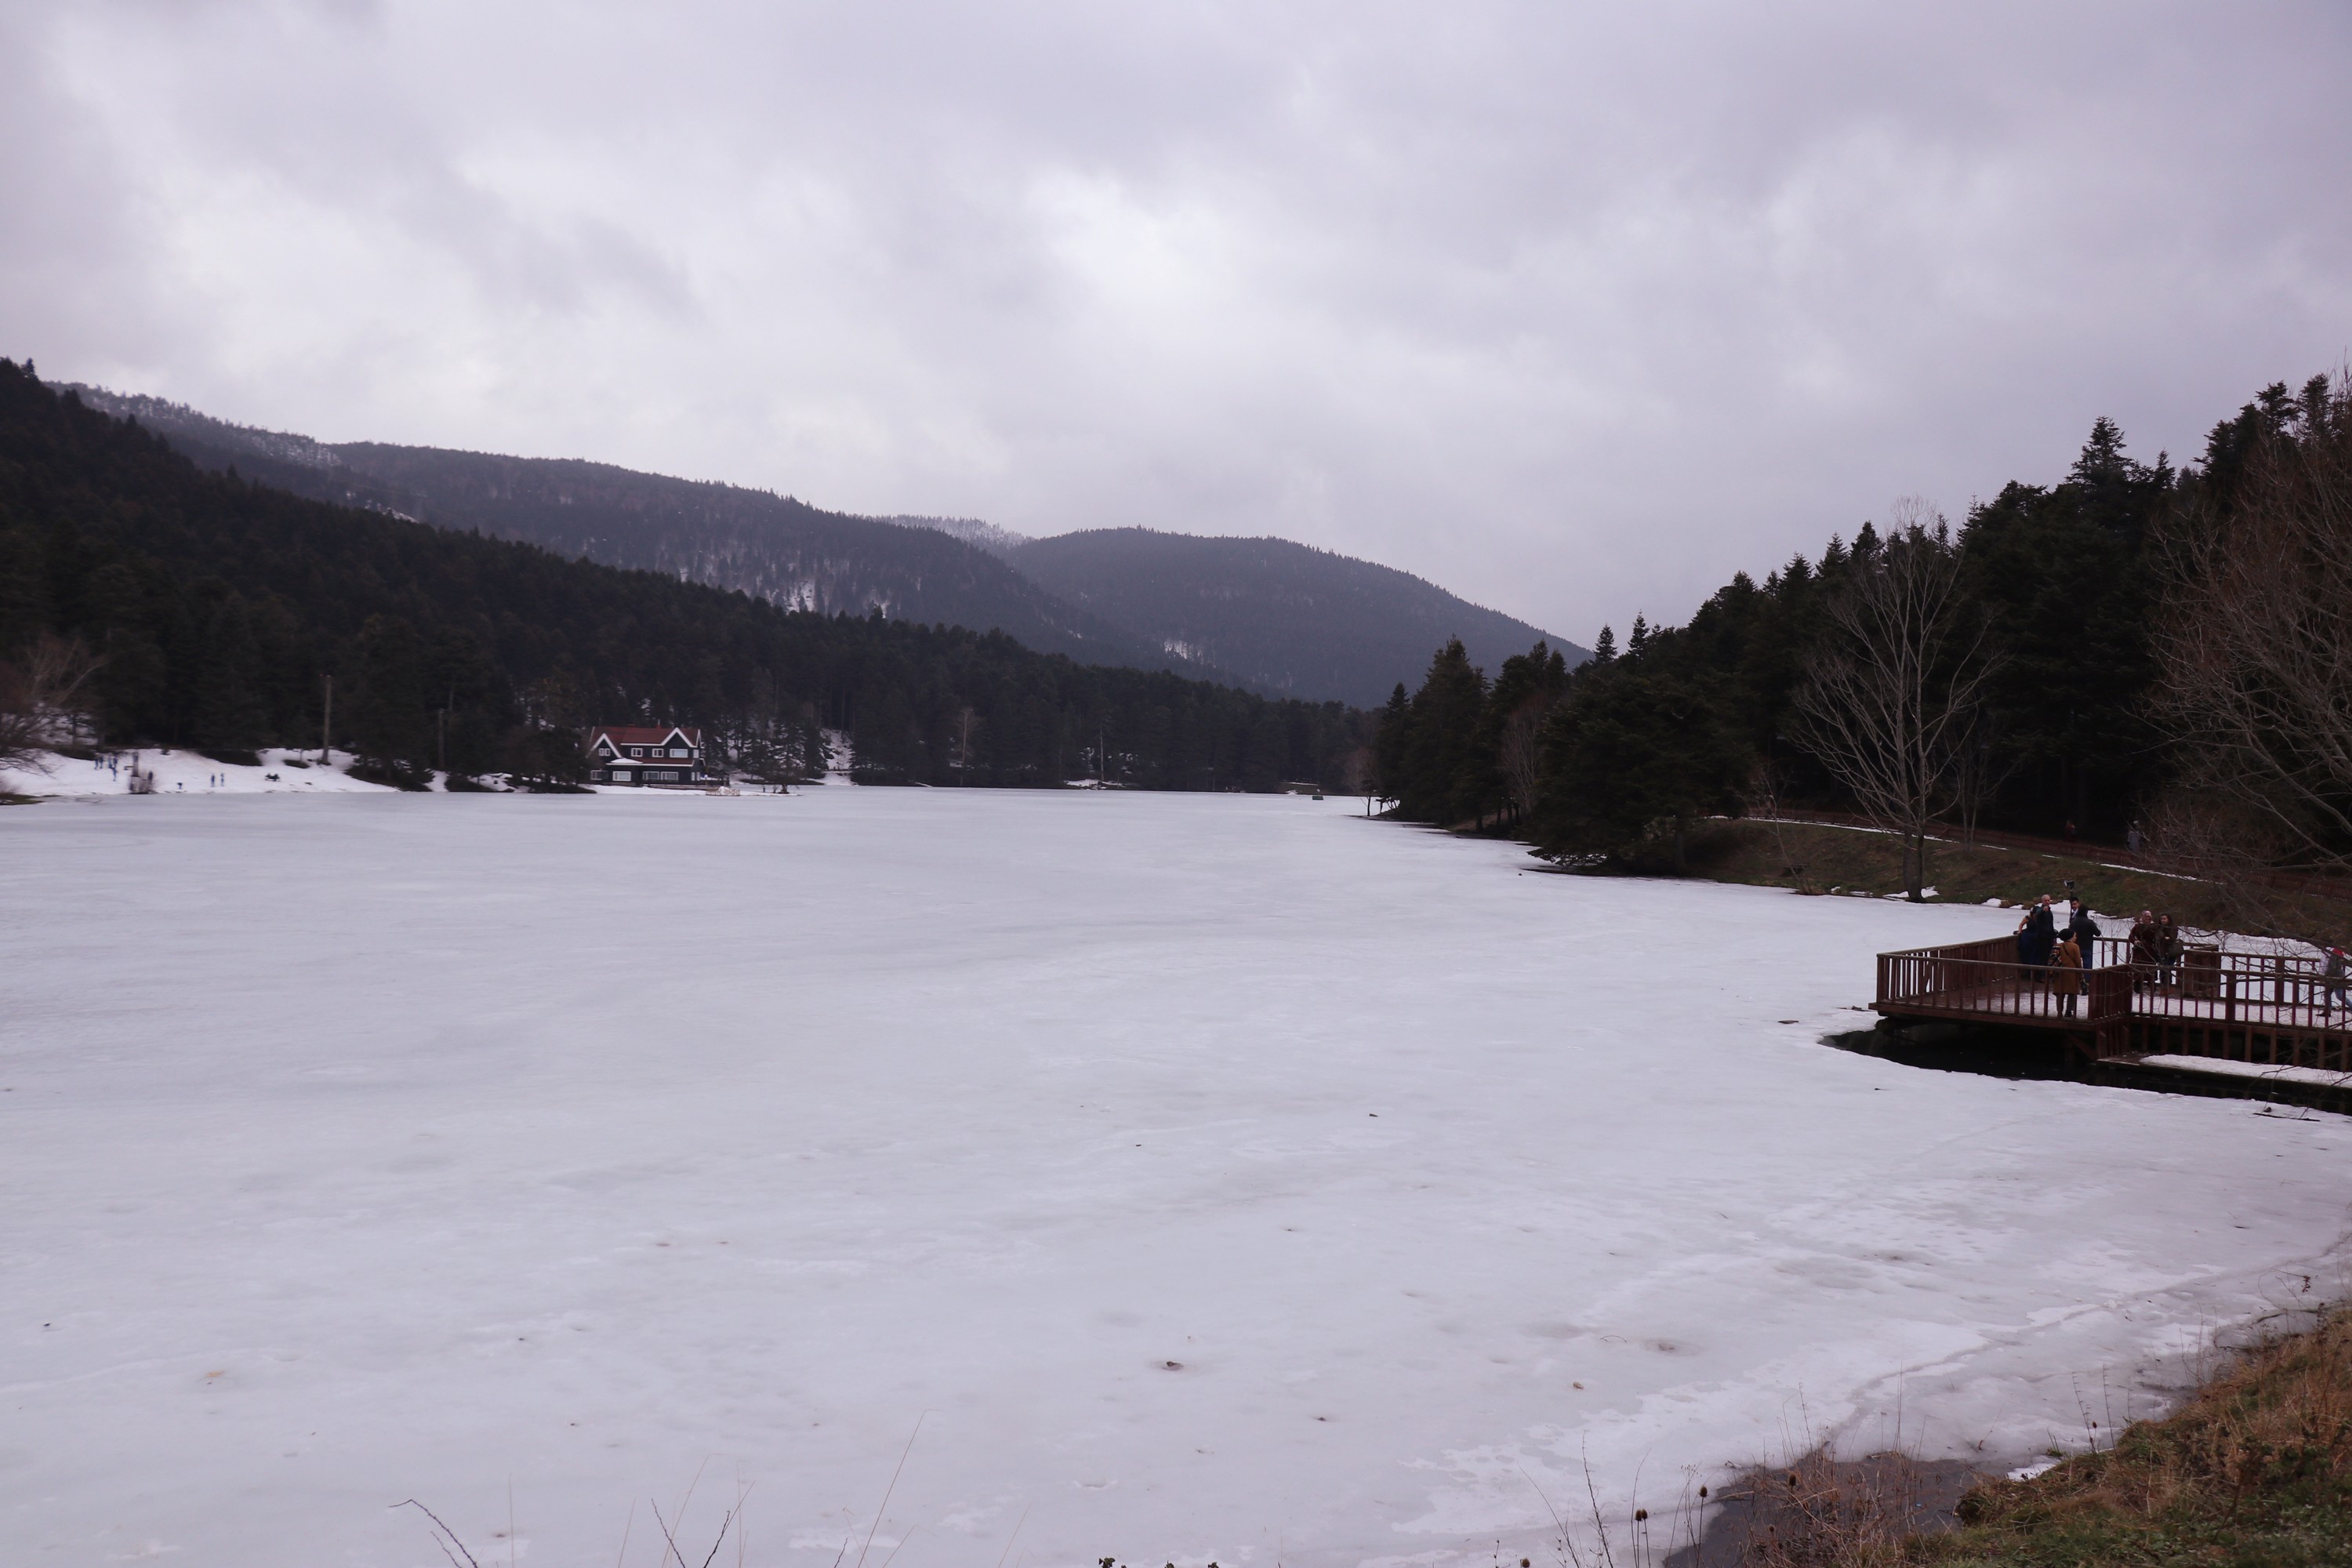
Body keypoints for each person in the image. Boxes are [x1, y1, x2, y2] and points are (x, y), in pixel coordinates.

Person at [2051, 930, 2085, 1016]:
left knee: (2060, 993)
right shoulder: (2075, 947)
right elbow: (2078, 961)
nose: (2075, 937)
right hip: (2072, 973)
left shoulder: (2057, 946)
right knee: (2072, 993)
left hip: (2059, 972)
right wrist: (2081, 974)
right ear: (2070, 937)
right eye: (2074, 936)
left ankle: (2059, 1012)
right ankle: (2069, 1012)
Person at [2129, 909, 2160, 991]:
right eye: (2146, 917)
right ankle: (2137, 986)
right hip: (2139, 950)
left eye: (2149, 918)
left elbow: (2158, 937)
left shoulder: (2155, 927)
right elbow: (2131, 936)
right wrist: (2135, 941)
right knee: (2138, 969)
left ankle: (2152, 985)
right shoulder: (2137, 926)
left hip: (2150, 950)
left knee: (2150, 968)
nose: (2147, 919)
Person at [2066, 899, 2100, 967]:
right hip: (2087, 946)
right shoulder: (2089, 922)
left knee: (2075, 965)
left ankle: (2076, 977)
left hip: (2075, 946)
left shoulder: (2073, 922)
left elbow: (2069, 932)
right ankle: (2087, 978)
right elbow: (2098, 933)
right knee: (2087, 967)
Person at [2154, 914, 2183, 989]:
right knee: (2162, 969)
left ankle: (2168, 986)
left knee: (2167, 969)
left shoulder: (2173, 927)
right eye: (2161, 919)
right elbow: (2157, 938)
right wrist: (2164, 938)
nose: (2163, 920)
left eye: (2164, 919)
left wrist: (2164, 938)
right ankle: (2163, 986)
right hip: (2161, 951)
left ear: (2168, 919)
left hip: (2170, 951)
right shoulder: (2159, 927)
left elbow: (2172, 938)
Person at [2325, 946, 2349, 1018]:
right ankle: (2327, 1010)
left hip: (2335, 977)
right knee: (2327, 993)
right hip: (2337, 976)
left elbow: (2333, 967)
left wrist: (2326, 975)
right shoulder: (2337, 952)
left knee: (2340, 996)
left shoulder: (2334, 953)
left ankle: (2328, 1010)